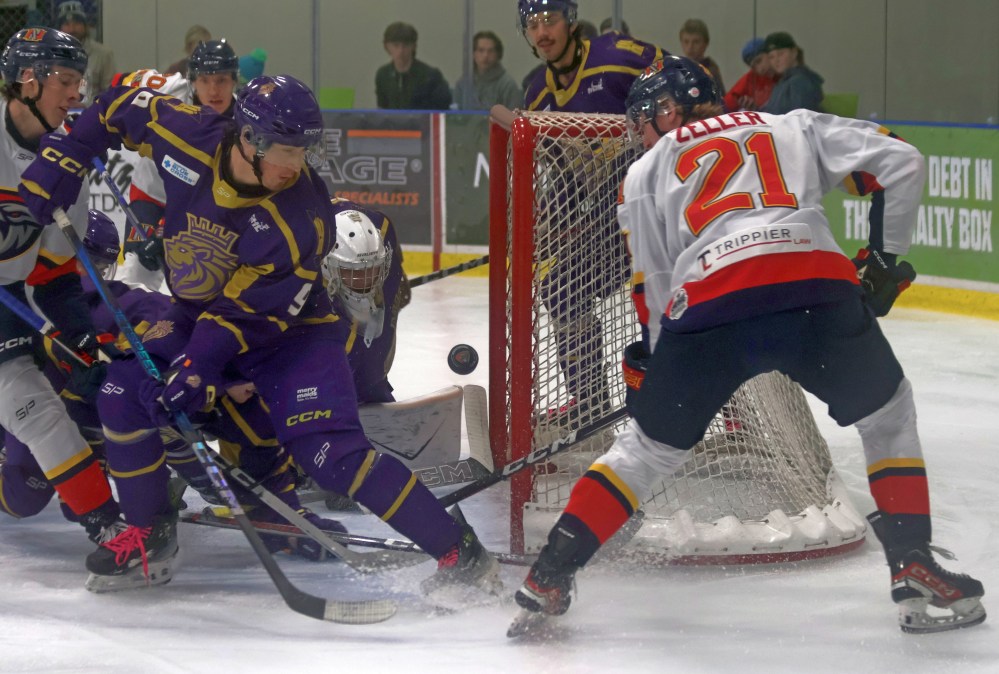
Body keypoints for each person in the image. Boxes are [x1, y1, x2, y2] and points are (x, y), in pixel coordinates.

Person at [509, 55, 986, 637]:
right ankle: (913, 560)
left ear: (667, 111)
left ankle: (552, 574)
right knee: (888, 418)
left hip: (712, 302)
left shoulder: (645, 172)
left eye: (641, 120)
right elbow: (900, 161)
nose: (637, 134)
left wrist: (657, 359)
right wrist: (883, 258)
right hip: (814, 289)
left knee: (644, 454)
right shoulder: (791, 124)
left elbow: (653, 283)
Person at [19, 74, 501, 597]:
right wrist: (61, 157)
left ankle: (459, 549)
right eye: (288, 152)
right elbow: (117, 106)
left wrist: (200, 366)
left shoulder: (303, 215)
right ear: (250, 139)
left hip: (293, 334)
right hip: (198, 312)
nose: (296, 166)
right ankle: (148, 534)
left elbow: (249, 316)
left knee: (331, 456)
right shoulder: (187, 133)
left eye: (303, 152)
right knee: (123, 393)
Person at [0, 29, 123, 550]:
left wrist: (80, 338)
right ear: (28, 81)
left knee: (25, 493)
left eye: (79, 82)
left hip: (10, 296)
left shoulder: (62, 162)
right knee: (29, 401)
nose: (77, 94)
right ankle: (106, 523)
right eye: (66, 81)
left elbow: (51, 272)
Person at [116, 39, 241, 289]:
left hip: (202, 206)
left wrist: (168, 234)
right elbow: (118, 83)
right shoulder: (171, 92)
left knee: (202, 278)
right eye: (205, 80)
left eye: (221, 81)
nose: (213, 90)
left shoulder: (245, 124)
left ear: (234, 81)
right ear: (191, 81)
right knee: (137, 266)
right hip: (151, 195)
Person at [521, 0, 662, 113]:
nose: (541, 34)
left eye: (549, 21)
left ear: (571, 22)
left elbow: (679, 73)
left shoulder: (617, 56)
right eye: (533, 25)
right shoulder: (536, 96)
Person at [375, 22, 451, 110]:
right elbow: (382, 110)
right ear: (386, 46)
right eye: (396, 45)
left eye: (406, 46)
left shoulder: (430, 76)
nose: (401, 51)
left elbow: (442, 109)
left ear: (414, 47)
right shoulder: (383, 75)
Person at [55, 0, 115, 103]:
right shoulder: (51, 54)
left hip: (92, 114)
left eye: (77, 23)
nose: (72, 29)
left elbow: (112, 92)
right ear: (60, 28)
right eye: (67, 24)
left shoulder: (103, 54)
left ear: (85, 26)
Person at [453, 30, 522, 111]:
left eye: (490, 51)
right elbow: (456, 117)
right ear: (473, 54)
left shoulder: (507, 85)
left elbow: (514, 118)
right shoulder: (463, 84)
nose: (485, 55)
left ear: (498, 54)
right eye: (481, 50)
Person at [759, 31, 824, 114]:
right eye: (771, 57)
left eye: (780, 54)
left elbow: (800, 119)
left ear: (794, 53)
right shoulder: (782, 83)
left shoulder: (800, 81)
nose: (776, 60)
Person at [723, 36, 778, 112]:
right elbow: (725, 106)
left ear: (769, 54)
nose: (759, 69)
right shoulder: (751, 77)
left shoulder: (784, 73)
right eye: (753, 67)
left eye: (759, 61)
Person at [677, 18, 724, 96]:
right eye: (686, 42)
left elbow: (721, 99)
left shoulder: (710, 69)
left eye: (696, 42)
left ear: (705, 44)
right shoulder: (677, 67)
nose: (690, 47)